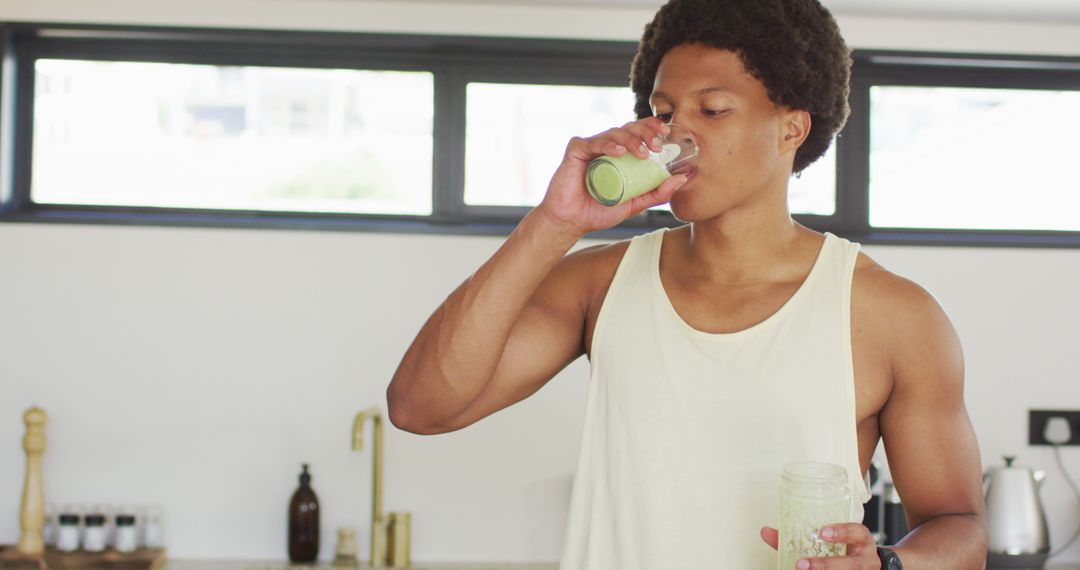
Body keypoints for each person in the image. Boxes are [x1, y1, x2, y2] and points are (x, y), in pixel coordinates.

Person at [387, 0, 988, 567]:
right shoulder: (600, 283)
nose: (678, 135)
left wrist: (886, 563)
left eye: (714, 109)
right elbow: (420, 407)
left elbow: (960, 526)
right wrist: (555, 222)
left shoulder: (890, 314)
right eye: (665, 112)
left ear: (791, 129)